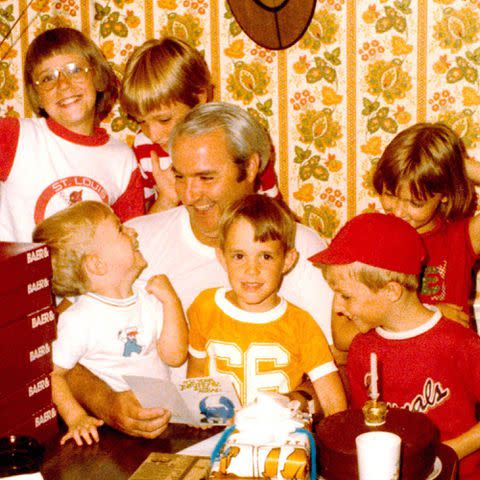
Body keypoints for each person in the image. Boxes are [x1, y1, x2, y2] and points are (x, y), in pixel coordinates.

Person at [65, 102, 335, 438]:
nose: (191, 195)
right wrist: (108, 403)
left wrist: (294, 401)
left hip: (274, 442)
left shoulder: (303, 249)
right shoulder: (135, 242)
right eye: (180, 176)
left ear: (250, 166)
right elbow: (62, 347)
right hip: (163, 439)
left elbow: (343, 367)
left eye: (207, 178)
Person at [310, 212, 480, 479]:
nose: (339, 308)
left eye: (345, 296)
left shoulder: (458, 342)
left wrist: (446, 452)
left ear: (391, 291)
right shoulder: (362, 350)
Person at [32, 201, 187, 446]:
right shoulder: (79, 319)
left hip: (162, 421)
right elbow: (53, 374)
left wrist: (171, 303)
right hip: (112, 433)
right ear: (97, 264)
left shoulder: (148, 296)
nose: (133, 232)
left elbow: (175, 356)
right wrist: (76, 418)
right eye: (120, 229)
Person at [187, 194, 347, 415]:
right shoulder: (205, 306)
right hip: (219, 437)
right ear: (222, 258)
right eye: (239, 256)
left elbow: (332, 399)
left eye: (265, 257)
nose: (251, 270)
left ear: (288, 261)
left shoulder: (300, 324)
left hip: (280, 438)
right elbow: (196, 375)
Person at [332, 122, 480, 354]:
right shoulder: (363, 239)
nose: (399, 212)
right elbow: (341, 337)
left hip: (452, 372)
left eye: (415, 203)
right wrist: (429, 315)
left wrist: (456, 166)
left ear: (445, 195)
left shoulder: (462, 237)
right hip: (393, 374)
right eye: (390, 195)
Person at [0, 27, 145, 242]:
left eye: (75, 70)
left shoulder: (122, 158)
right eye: (48, 78)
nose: (63, 85)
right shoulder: (16, 135)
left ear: (96, 77)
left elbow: (130, 242)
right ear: (37, 95)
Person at [119, 36, 279, 212]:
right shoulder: (145, 148)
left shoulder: (240, 140)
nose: (153, 134)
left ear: (199, 98)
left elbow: (274, 219)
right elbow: (147, 229)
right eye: (141, 121)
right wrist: (167, 198)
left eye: (164, 119)